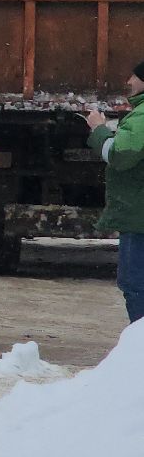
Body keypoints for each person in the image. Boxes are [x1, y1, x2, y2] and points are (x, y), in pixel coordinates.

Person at [85, 65, 144, 323]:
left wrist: (99, 129)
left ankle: (139, 339)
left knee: (135, 285)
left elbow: (121, 154)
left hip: (138, 217)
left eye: (135, 76)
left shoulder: (142, 116)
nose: (129, 80)